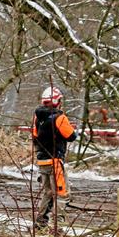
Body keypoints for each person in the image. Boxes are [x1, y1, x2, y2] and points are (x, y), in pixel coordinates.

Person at [31, 86, 77, 229]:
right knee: (62, 194)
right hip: (55, 161)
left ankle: (40, 223)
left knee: (48, 193)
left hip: (42, 160)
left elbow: (34, 137)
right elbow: (71, 136)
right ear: (57, 101)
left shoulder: (37, 118)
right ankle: (56, 226)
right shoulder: (60, 118)